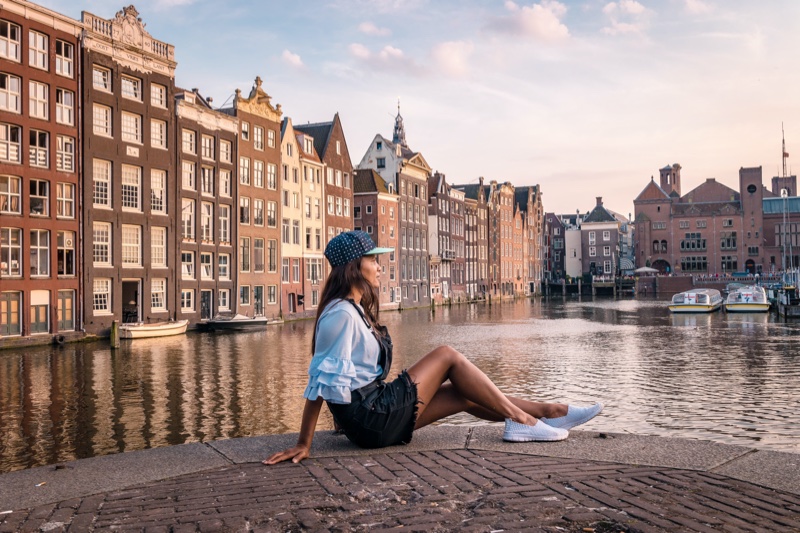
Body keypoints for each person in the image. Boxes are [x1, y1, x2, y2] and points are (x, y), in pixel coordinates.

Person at [264, 231, 603, 465]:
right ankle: (523, 420)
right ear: (354, 266)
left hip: (373, 416)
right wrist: (304, 442)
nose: (380, 266)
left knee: (463, 395)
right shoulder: (340, 314)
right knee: (446, 355)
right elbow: (319, 382)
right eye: (373, 259)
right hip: (371, 418)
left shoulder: (354, 310)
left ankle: (551, 412)